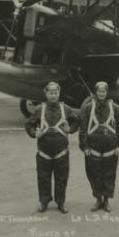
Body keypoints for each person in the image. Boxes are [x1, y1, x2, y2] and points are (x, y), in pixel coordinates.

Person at [25, 82, 76, 214]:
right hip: (44, 152)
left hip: (62, 151)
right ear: (46, 94)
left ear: (59, 93)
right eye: (50, 93)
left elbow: (77, 120)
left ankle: (61, 202)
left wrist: (70, 129)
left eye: (55, 93)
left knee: (62, 178)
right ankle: (44, 201)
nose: (53, 95)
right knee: (43, 177)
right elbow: (29, 125)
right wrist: (34, 133)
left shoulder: (66, 109)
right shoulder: (39, 110)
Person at [78, 81, 119, 213]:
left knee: (109, 175)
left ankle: (106, 200)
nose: (101, 94)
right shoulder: (88, 108)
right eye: (99, 91)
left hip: (111, 149)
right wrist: (85, 147)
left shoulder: (115, 108)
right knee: (95, 175)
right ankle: (98, 199)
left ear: (107, 92)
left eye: (104, 91)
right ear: (95, 92)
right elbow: (83, 129)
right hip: (92, 149)